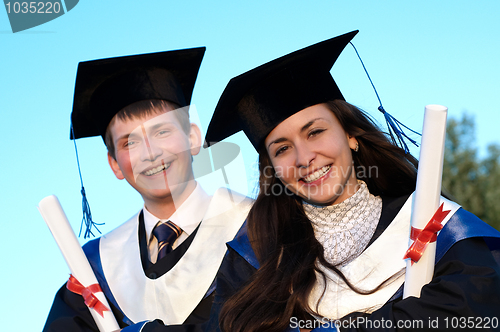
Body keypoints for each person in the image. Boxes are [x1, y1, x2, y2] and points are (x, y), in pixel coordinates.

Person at [203, 31, 500, 332]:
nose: (304, 158)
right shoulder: (257, 256)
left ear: (351, 135)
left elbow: (472, 306)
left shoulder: (434, 223)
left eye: (315, 132)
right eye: (282, 148)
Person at [43, 48, 252, 332]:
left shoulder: (256, 229)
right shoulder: (95, 265)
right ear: (114, 164)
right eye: (130, 143)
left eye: (162, 132)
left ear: (193, 138)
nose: (150, 154)